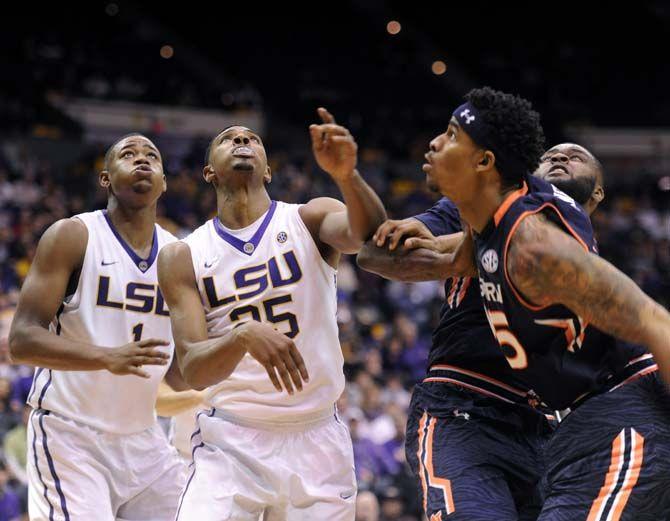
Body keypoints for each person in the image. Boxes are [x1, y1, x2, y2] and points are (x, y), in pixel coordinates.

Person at [423, 86, 670, 519]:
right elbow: (402, 255)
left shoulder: (538, 244)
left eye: (451, 135)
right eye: (552, 154)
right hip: (570, 423)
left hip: (621, 407)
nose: (435, 143)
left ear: (488, 161)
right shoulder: (492, 233)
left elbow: (655, 322)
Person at [157, 108, 387, 520]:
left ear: (267, 171)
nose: (244, 141)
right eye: (230, 138)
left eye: (253, 139)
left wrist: (347, 175)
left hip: (317, 436)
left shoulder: (309, 218)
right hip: (230, 438)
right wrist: (241, 335)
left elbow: (367, 233)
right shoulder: (183, 255)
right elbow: (192, 369)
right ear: (209, 172)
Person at [357, 142, 606, 520]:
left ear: (599, 192)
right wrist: (484, 240)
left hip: (544, 431)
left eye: (575, 156)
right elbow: (374, 256)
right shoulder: (472, 210)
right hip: (464, 406)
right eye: (550, 154)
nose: (559, 157)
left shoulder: (599, 268)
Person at [9, 134, 188, 520]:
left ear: (164, 181)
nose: (142, 161)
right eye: (128, 155)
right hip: (70, 435)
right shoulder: (73, 236)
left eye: (152, 157)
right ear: (105, 179)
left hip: (145, 438)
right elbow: (21, 341)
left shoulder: (179, 255)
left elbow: (178, 369)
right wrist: (106, 357)